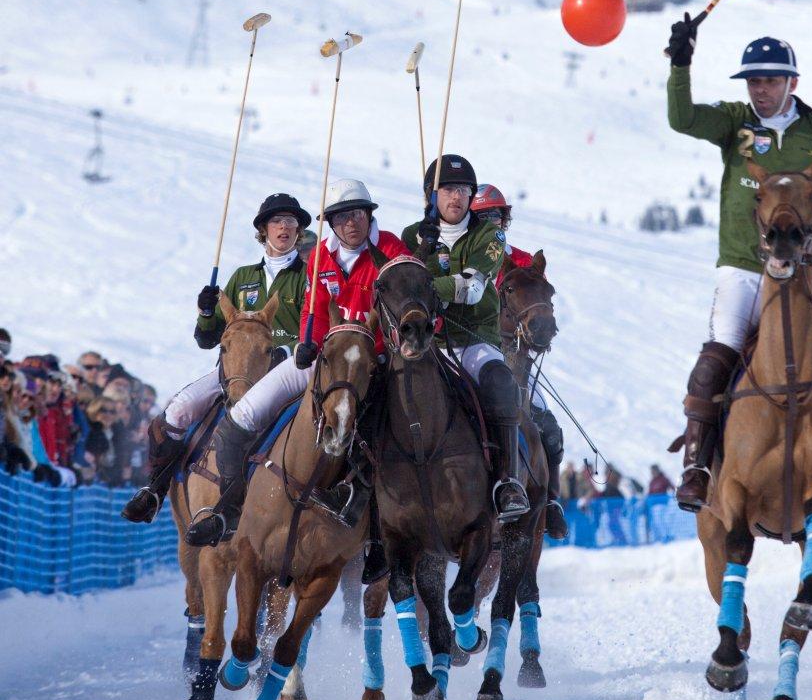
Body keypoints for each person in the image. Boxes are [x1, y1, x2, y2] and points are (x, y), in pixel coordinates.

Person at [665, 18, 812, 510]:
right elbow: (682, 120)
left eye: (770, 80)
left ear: (792, 82)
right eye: (753, 81)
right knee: (712, 364)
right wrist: (681, 65)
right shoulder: (734, 122)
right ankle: (697, 469)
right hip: (743, 268)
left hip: (810, 267)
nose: (761, 90)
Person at [184, 179, 408, 561]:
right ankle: (229, 509)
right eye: (340, 217)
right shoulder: (319, 257)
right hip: (319, 358)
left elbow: (404, 301)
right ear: (331, 223)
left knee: (388, 439)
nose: (349, 223)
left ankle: (379, 540)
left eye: (356, 214)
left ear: (369, 215)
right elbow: (312, 310)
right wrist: (309, 341)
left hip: (371, 361)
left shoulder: (390, 249)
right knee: (237, 420)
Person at [122, 193, 311, 524]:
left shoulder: (308, 276)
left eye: (291, 222)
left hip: (286, 370)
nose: (284, 227)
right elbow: (208, 339)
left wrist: (284, 350)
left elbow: (315, 328)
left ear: (298, 231)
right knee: (177, 411)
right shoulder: (242, 276)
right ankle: (155, 489)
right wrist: (207, 312)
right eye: (276, 221)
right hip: (233, 369)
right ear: (263, 230)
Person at [405, 155, 529, 521]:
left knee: (501, 382)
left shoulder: (490, 235)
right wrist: (421, 251)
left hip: (474, 341)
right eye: (447, 189)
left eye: (463, 190)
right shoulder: (412, 235)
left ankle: (507, 482)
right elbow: (397, 288)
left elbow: (472, 288)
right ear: (432, 195)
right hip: (427, 344)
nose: (456, 197)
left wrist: (425, 288)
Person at [470, 183, 568, 538]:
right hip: (472, 352)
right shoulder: (465, 258)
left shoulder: (524, 262)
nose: (490, 222)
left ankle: (551, 501)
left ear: (505, 219)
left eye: (496, 215)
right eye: (482, 217)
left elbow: (538, 315)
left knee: (549, 430)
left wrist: (537, 335)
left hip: (515, 361)